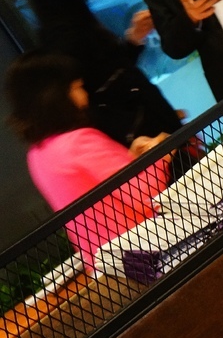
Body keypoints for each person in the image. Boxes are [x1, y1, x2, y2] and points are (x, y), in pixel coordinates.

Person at [4, 51, 170, 271]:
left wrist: (131, 158)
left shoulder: (37, 155)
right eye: (77, 88)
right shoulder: (79, 141)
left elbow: (96, 191)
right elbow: (146, 195)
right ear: (55, 97)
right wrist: (162, 151)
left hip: (110, 265)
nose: (85, 96)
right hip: (151, 252)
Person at [19, 0, 183, 153]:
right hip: (149, 143)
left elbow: (111, 73)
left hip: (150, 134)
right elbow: (108, 89)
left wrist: (133, 41)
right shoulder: (66, 40)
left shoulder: (68, 27)